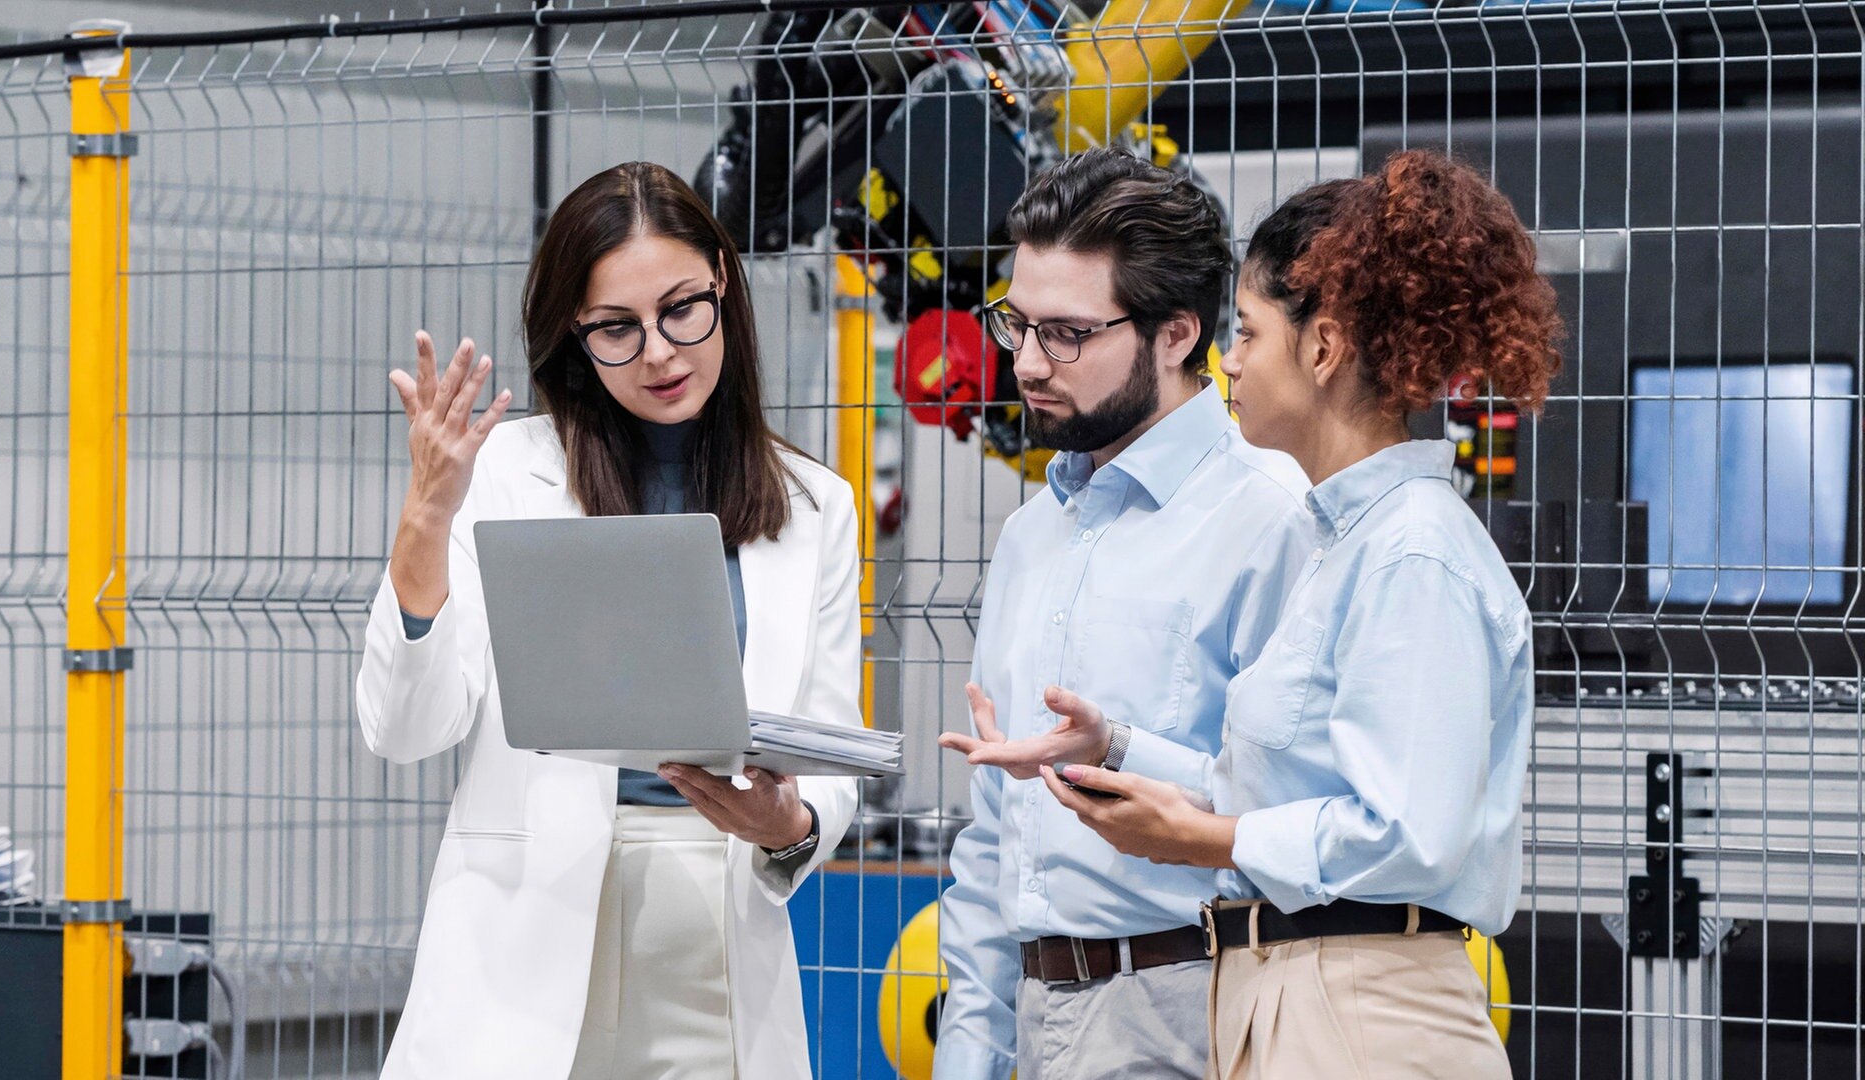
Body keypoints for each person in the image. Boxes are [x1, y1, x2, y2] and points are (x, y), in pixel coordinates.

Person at [975, 149, 1562, 1078]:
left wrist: (1206, 839)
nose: (1230, 361)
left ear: (1322, 349)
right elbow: (1292, 790)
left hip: (1364, 1011)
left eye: (1245, 334)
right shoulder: (1350, 542)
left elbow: (1408, 833)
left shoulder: (1410, 551)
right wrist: (1117, 747)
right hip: (1304, 996)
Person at [354, 161, 862, 1080]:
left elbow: (830, 754)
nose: (661, 353)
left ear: (723, 282)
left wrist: (787, 822)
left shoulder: (817, 506)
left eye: (681, 310)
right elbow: (403, 728)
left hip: (718, 929)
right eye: (616, 330)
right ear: (575, 339)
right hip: (525, 937)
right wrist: (425, 517)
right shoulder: (501, 472)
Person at [931, 147, 1315, 1080]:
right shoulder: (1032, 537)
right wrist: (968, 1051)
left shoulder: (1274, 518)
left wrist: (1122, 749)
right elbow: (993, 842)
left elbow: (1305, 813)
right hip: (1031, 1011)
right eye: (1016, 323)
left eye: (1065, 334)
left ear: (1177, 333)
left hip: (1199, 1008)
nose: (1025, 362)